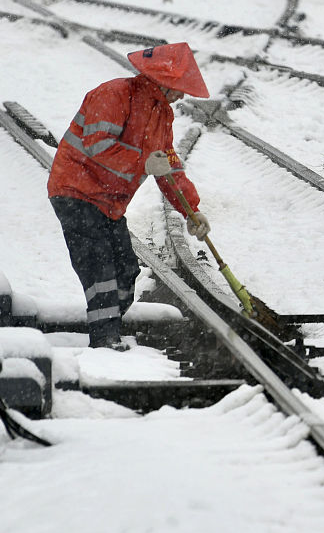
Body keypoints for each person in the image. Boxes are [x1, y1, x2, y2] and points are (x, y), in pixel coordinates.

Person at [47, 43, 212, 350]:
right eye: (178, 88)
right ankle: (105, 340)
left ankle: (109, 329)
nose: (182, 96)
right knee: (100, 269)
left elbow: (168, 165)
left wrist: (192, 210)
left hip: (109, 202)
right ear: (161, 82)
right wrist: (142, 162)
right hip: (76, 190)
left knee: (126, 269)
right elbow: (99, 145)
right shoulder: (113, 95)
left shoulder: (161, 114)